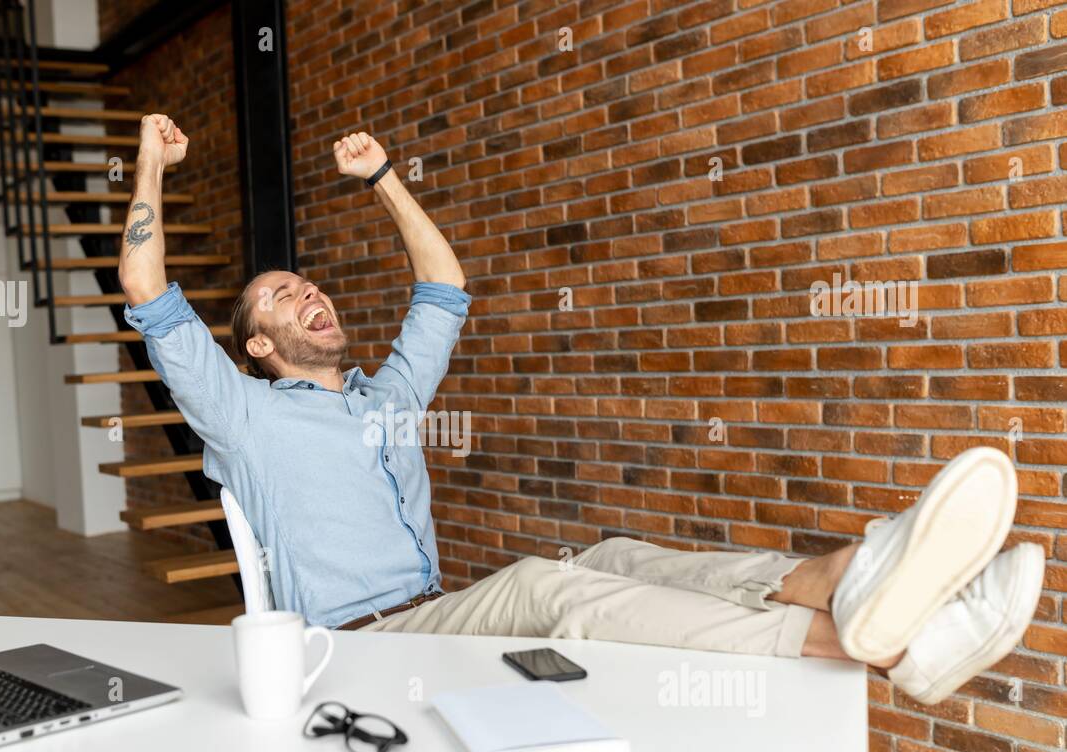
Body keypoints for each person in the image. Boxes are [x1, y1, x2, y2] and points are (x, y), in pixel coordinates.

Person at [118, 115, 1043, 707]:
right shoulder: (239, 413)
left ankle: (863, 577)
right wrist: (152, 166)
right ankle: (867, 641)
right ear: (256, 348)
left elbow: (442, 285)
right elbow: (146, 288)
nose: (307, 293)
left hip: (437, 613)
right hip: (358, 649)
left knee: (608, 557)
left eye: (307, 283)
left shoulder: (387, 399)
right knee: (544, 588)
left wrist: (383, 178)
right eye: (280, 299)